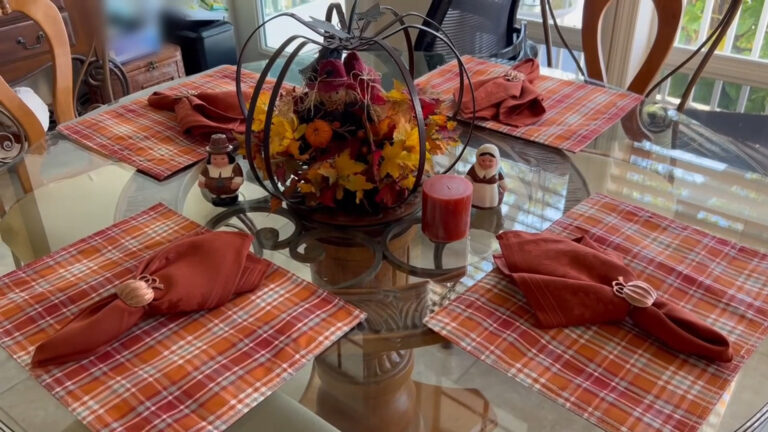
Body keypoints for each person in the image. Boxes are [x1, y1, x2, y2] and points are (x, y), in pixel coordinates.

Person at [198, 134, 244, 206]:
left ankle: (231, 198)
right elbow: (202, 175)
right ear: (210, 158)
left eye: (223, 159)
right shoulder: (208, 167)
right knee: (215, 199)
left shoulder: (234, 166)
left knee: (230, 198)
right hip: (213, 190)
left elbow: (239, 176)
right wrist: (201, 181)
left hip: (230, 190)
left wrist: (237, 182)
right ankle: (216, 199)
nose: (218, 162)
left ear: (229, 157)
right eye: (214, 159)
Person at [465, 143, 507, 209]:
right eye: (483, 160)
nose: (486, 163)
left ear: (496, 161)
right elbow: (468, 178)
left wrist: (504, 186)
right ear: (477, 159)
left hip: (492, 195)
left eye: (490, 161)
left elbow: (502, 181)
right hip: (476, 193)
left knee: (491, 202)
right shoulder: (474, 168)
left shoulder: (497, 169)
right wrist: (466, 185)